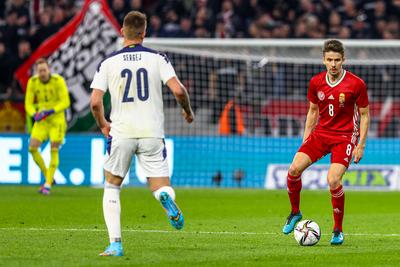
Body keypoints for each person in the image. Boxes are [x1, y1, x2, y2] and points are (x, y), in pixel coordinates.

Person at [90, 11, 194, 257]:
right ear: (144, 33)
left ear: (122, 32)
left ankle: (115, 244)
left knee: (112, 186)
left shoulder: (108, 62)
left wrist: (104, 124)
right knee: (160, 187)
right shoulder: (158, 58)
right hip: (151, 132)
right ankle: (165, 199)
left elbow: (95, 102)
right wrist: (187, 111)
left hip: (121, 132)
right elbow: (178, 90)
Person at [281, 40, 369, 245]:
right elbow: (312, 112)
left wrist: (361, 144)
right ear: (323, 60)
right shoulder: (316, 82)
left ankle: (337, 230)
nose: (333, 64)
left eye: (337, 60)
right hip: (321, 134)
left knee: (333, 180)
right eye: (329, 60)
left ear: (343, 60)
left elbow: (364, 115)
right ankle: (295, 212)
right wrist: (305, 140)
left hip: (345, 137)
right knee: (294, 169)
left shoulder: (356, 84)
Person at [25, 58, 71, 195]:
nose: (42, 73)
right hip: (42, 120)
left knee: (54, 148)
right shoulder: (32, 82)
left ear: (49, 69)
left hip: (57, 120)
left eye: (44, 70)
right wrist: (34, 114)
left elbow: (65, 101)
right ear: (36, 72)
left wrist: (51, 111)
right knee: (32, 148)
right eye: (39, 71)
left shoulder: (58, 81)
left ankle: (47, 185)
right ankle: (49, 177)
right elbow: (28, 104)